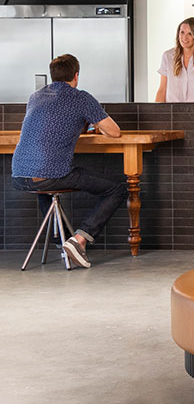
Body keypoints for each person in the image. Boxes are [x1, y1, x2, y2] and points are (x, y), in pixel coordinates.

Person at [10, 54, 124, 269]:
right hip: (50, 174)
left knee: (43, 187)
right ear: (76, 75)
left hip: (19, 174)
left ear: (52, 76)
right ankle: (78, 241)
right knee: (117, 190)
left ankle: (62, 245)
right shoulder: (80, 97)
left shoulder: (36, 96)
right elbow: (115, 132)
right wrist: (94, 125)